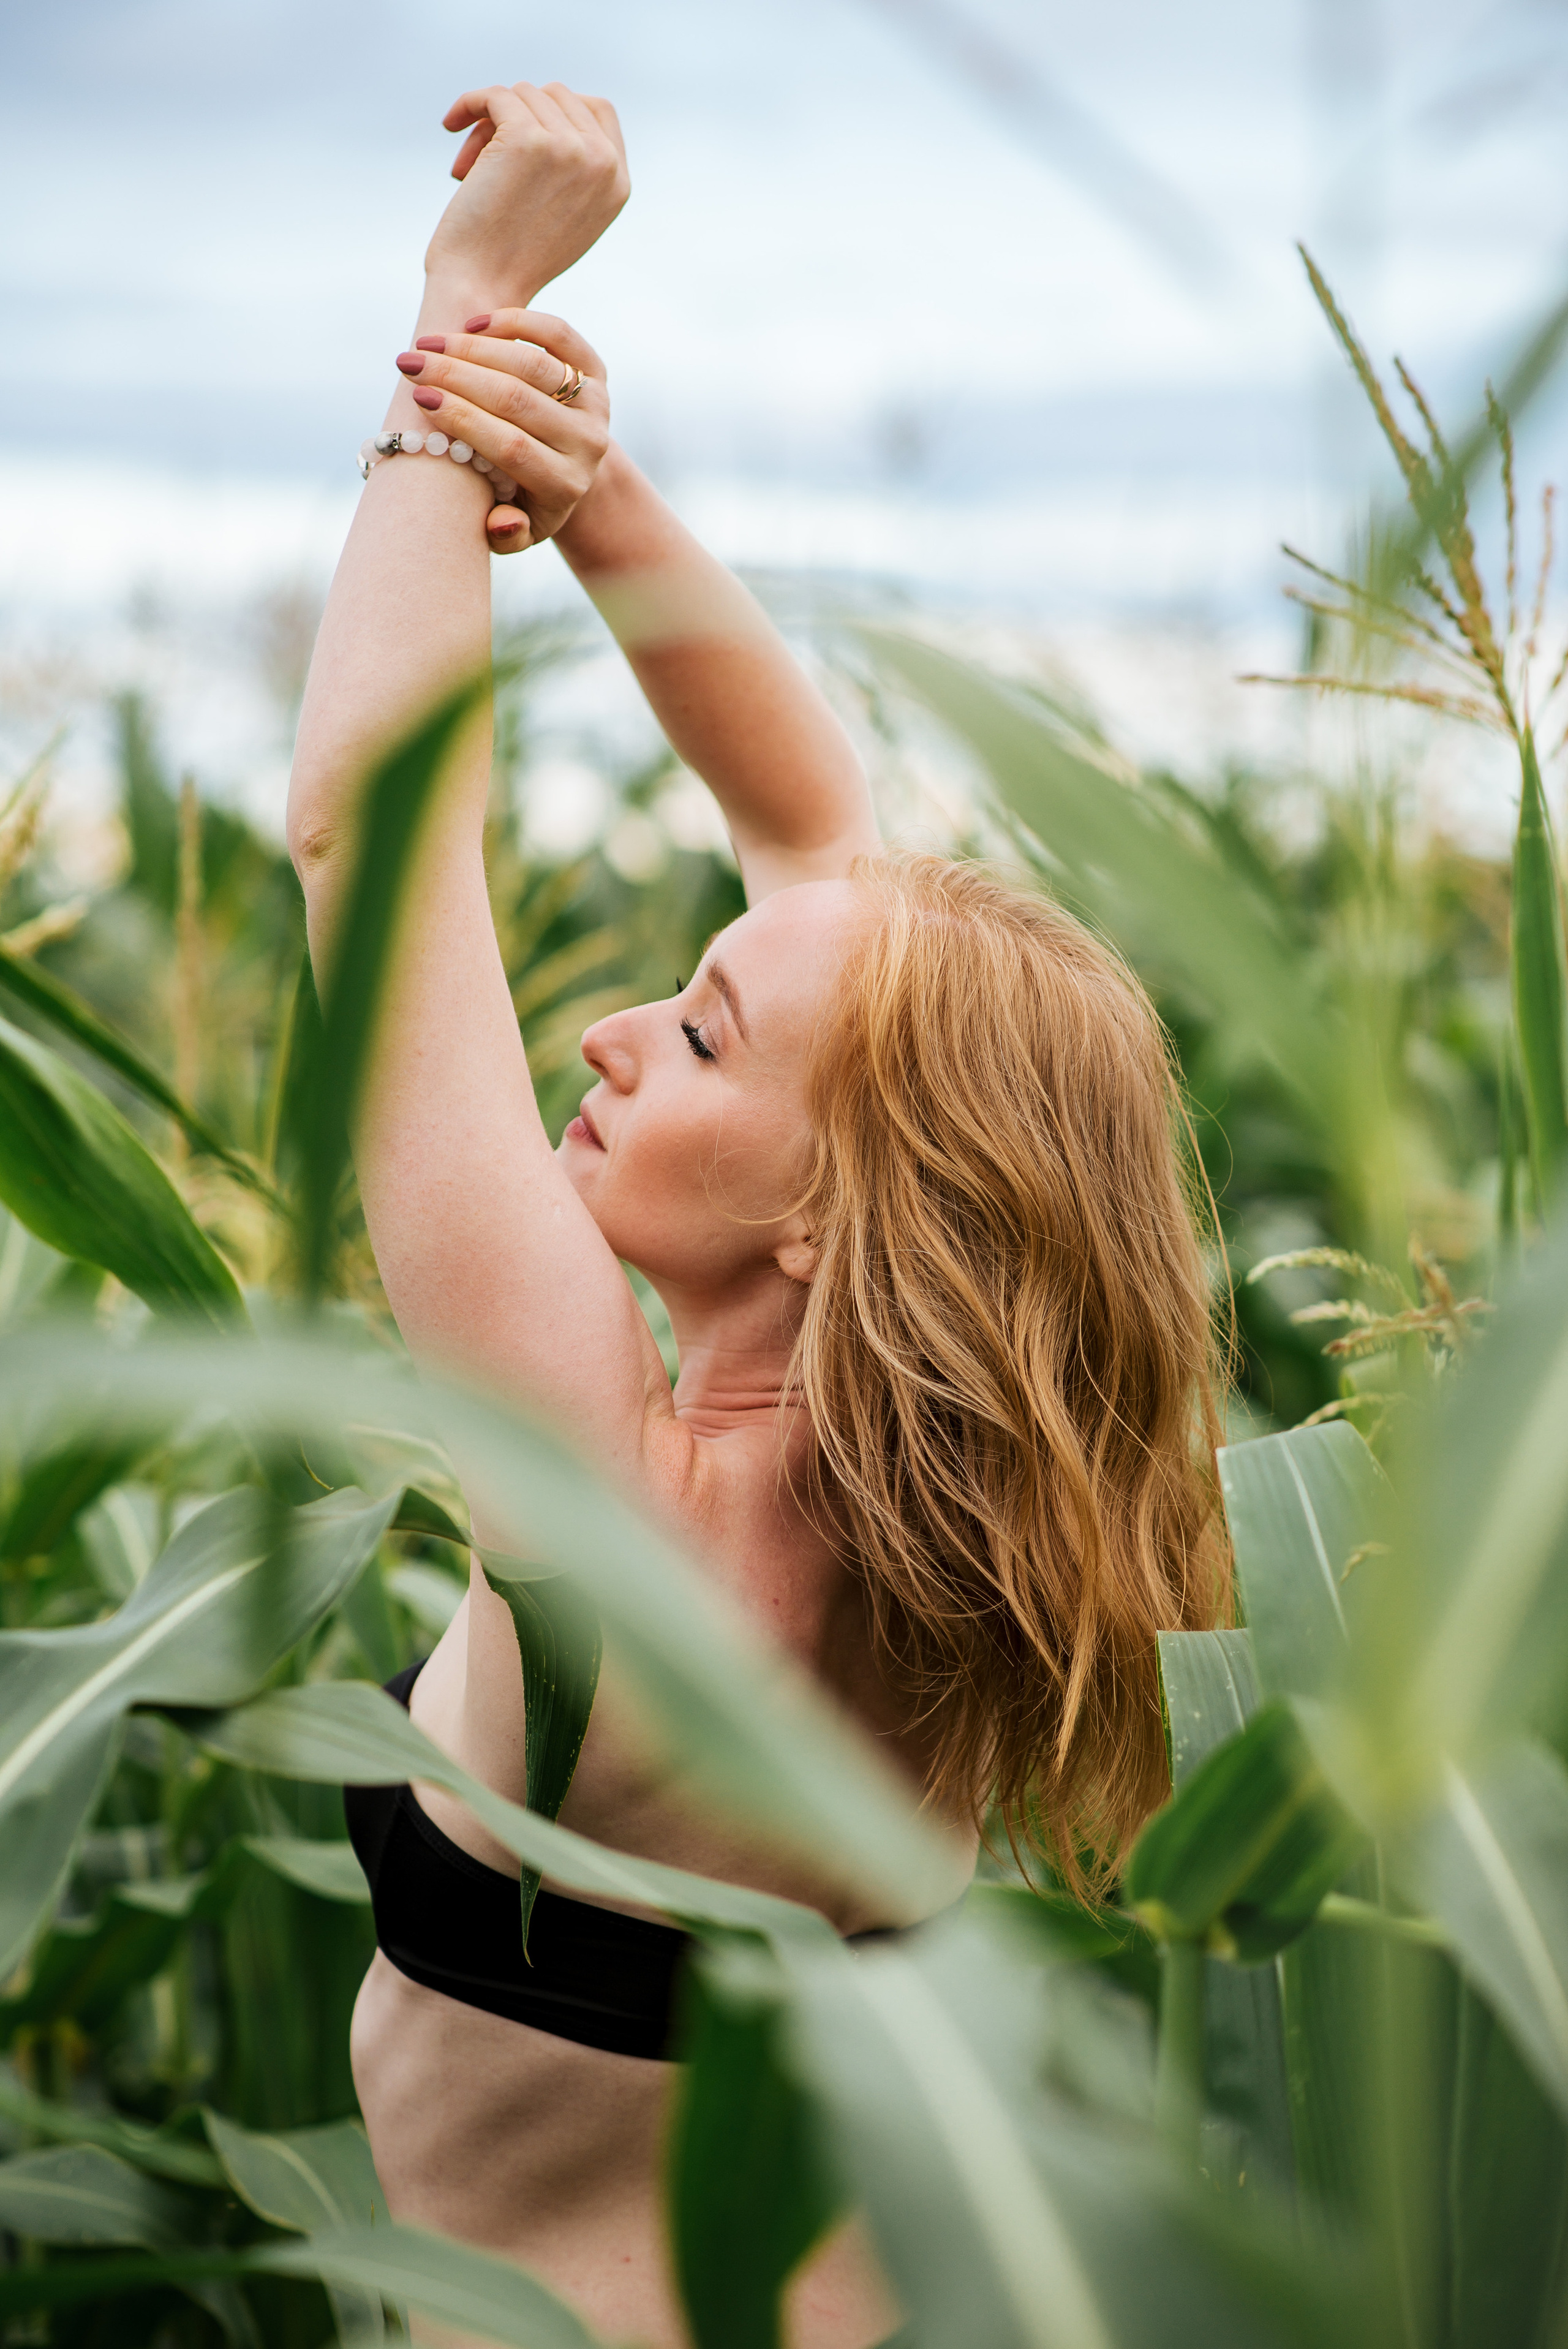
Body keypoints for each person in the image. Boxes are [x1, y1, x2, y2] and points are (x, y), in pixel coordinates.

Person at [288, 77, 1229, 2349]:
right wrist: (584, 480)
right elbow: (808, 829)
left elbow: (365, 849)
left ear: (831, 1225)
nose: (616, 1032)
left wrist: (455, 340)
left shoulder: (612, 1507)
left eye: (700, 1036)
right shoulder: (982, 1543)